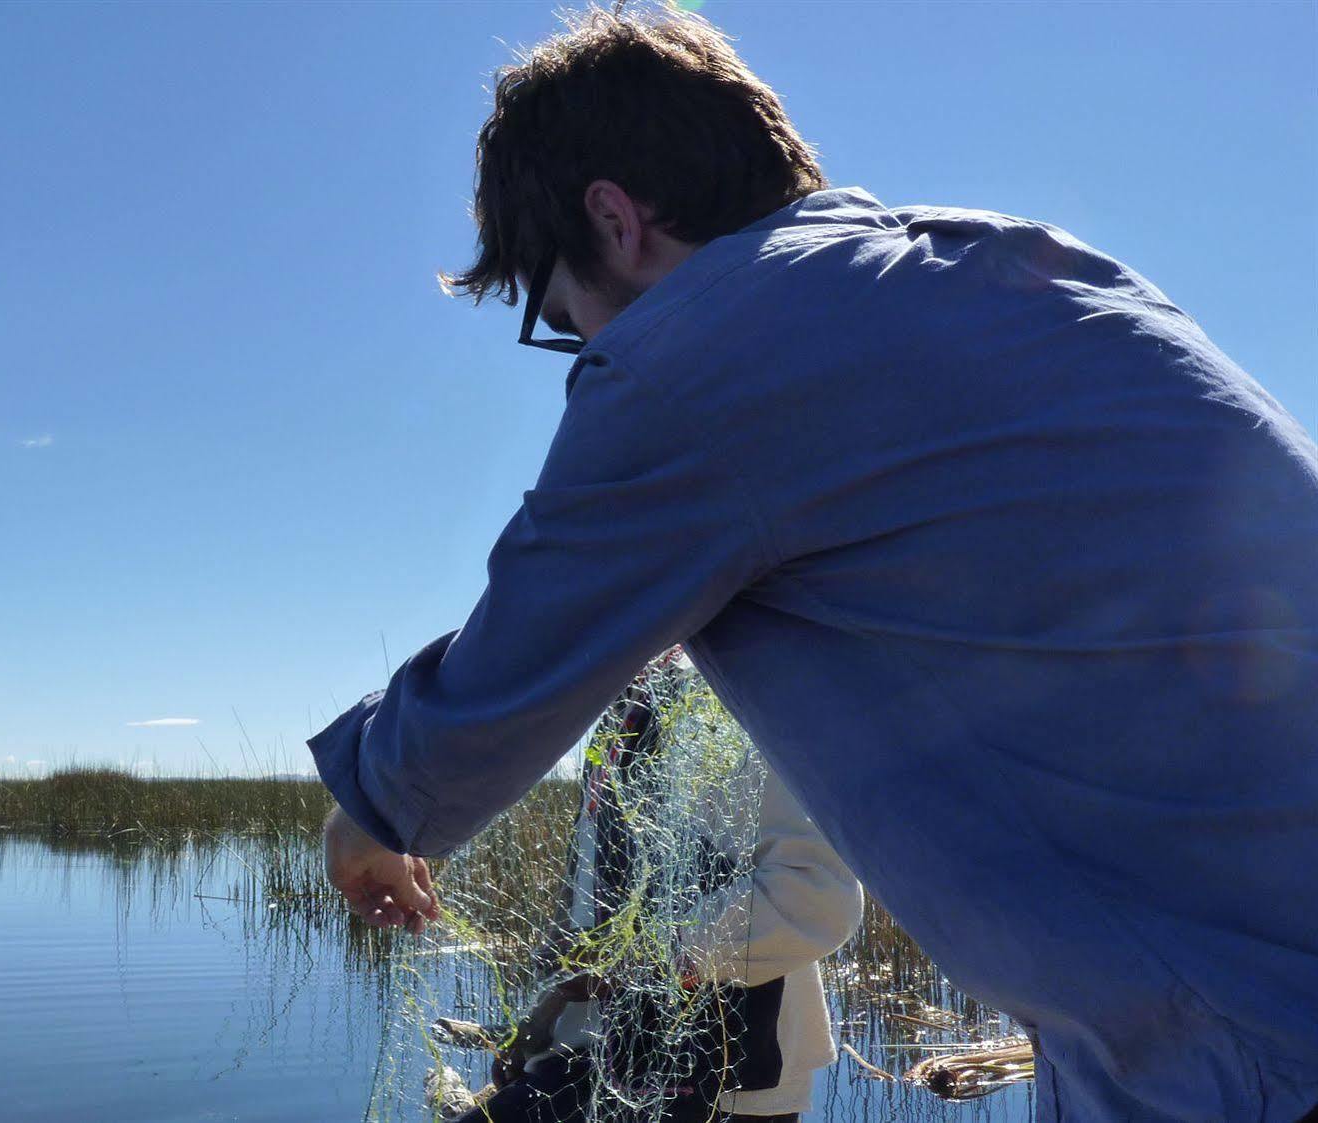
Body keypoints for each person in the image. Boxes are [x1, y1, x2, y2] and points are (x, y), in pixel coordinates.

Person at [307, 8, 1318, 1122]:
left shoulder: (702, 352)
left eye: (564, 318)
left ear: (613, 219)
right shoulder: (1023, 268)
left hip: (1250, 1042)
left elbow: (519, 652)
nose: (589, 352)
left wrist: (372, 804)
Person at [449, 652, 862, 1123]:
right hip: (596, 1058)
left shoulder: (735, 699)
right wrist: (538, 1024)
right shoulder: (618, 714)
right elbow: (588, 892)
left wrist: (641, 960)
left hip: (727, 1085)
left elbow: (818, 895)